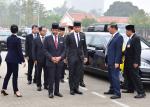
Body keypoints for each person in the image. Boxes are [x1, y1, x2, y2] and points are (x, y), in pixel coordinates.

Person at [1, 24, 25, 97]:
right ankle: (16, 91)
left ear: (11, 30)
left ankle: (3, 89)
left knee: (8, 74)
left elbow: (8, 47)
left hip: (8, 58)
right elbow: (19, 51)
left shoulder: (8, 38)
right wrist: (23, 60)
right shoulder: (18, 39)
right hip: (14, 60)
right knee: (15, 75)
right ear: (17, 30)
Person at [122, 25, 146, 98]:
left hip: (133, 62)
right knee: (128, 75)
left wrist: (136, 62)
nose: (126, 33)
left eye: (126, 31)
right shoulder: (130, 38)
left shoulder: (136, 38)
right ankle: (130, 89)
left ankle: (141, 92)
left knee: (136, 77)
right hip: (128, 62)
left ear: (130, 31)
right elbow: (127, 50)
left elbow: (137, 51)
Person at [44, 23, 66, 98]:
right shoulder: (47, 39)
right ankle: (50, 92)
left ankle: (57, 91)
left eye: (57, 30)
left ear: (58, 30)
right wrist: (51, 58)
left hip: (59, 62)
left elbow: (64, 50)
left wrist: (60, 57)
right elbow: (45, 50)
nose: (55, 31)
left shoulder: (62, 39)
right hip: (51, 62)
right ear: (51, 30)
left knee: (57, 77)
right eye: (54, 30)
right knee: (51, 77)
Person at [66, 21, 88, 95]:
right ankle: (71, 89)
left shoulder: (82, 35)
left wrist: (85, 56)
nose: (78, 28)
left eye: (79, 27)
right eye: (76, 27)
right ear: (74, 27)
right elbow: (66, 47)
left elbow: (84, 47)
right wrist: (66, 57)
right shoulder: (69, 35)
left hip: (80, 58)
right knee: (71, 73)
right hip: (71, 57)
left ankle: (76, 88)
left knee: (78, 74)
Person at [104, 24, 123, 99]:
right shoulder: (113, 37)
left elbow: (119, 51)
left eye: (109, 28)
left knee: (115, 77)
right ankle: (112, 90)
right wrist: (106, 60)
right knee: (111, 77)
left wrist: (117, 62)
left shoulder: (119, 37)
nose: (108, 30)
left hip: (114, 62)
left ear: (113, 28)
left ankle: (117, 93)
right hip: (109, 61)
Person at [32, 26, 48, 91]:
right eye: (44, 31)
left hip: (47, 59)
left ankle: (46, 85)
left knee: (46, 73)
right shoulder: (36, 39)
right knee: (38, 73)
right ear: (40, 31)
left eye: (46, 31)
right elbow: (33, 50)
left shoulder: (48, 39)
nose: (45, 32)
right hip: (38, 59)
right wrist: (34, 59)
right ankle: (39, 85)